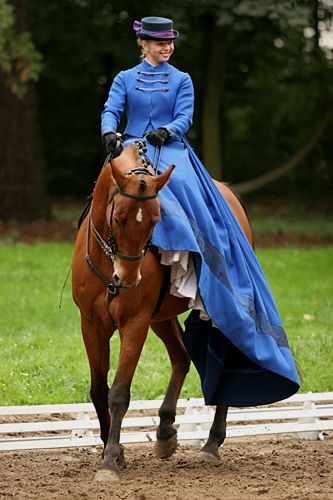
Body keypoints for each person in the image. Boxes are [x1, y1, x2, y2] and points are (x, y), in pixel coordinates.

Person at [101, 16, 300, 407]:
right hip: (132, 151)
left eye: (170, 42)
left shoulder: (182, 79)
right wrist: (110, 131)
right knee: (105, 198)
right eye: (159, 43)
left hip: (171, 149)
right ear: (143, 44)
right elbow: (112, 109)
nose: (166, 47)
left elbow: (184, 118)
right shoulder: (125, 77)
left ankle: (200, 275)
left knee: (186, 194)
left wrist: (169, 131)